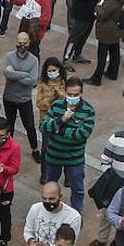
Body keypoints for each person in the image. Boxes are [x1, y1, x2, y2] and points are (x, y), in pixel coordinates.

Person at [40, 77, 95, 211]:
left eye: (76, 95)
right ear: (64, 91)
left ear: (81, 93)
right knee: (50, 186)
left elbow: (82, 134)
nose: (72, 97)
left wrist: (60, 130)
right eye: (69, 94)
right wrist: (61, 120)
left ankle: (76, 214)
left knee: (77, 189)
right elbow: (43, 127)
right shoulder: (56, 105)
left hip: (75, 159)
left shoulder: (88, 110)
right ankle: (49, 209)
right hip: (54, 156)